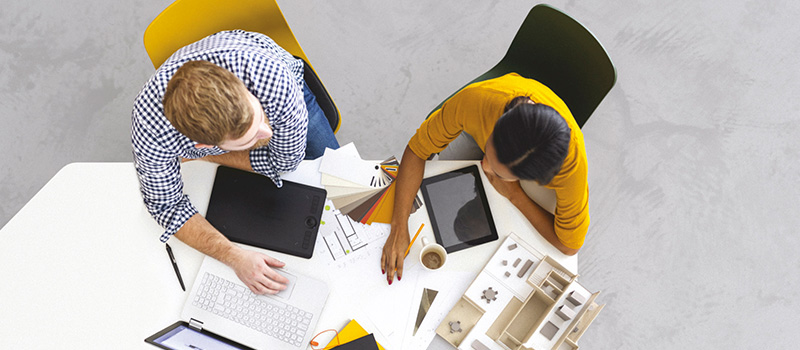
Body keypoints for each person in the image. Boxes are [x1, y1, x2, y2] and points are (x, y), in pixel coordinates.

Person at [132, 30, 338, 295]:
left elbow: (286, 161)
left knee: (339, 180)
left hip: (283, 78)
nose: (267, 131)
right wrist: (234, 257)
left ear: (240, 86)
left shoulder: (270, 78)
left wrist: (207, 157)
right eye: (249, 138)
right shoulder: (150, 131)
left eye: (258, 115)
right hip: (202, 139)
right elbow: (167, 207)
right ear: (204, 144)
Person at [381, 73, 589, 284]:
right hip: (488, 111)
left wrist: (515, 194)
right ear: (497, 125)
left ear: (534, 178)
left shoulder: (570, 169)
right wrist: (399, 225)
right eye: (488, 152)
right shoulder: (476, 100)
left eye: (498, 172)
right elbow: (418, 150)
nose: (484, 166)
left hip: (530, 179)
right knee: (439, 178)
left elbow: (569, 245)